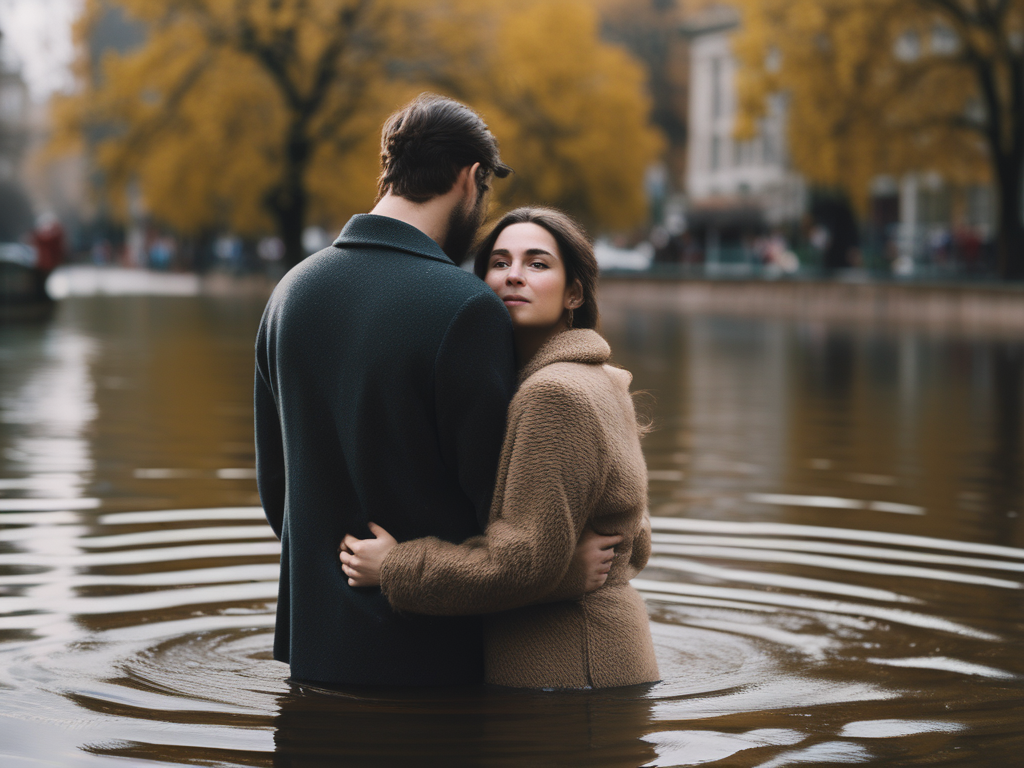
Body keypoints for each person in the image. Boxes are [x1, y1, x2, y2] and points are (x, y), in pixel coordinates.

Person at [255, 95, 615, 687]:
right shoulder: (465, 308)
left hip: (313, 656)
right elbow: (495, 506)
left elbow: (279, 497)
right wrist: (563, 570)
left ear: (390, 168)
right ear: (472, 178)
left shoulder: (289, 294)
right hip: (433, 662)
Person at [340, 207, 661, 690]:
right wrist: (568, 571)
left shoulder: (553, 396)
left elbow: (522, 565)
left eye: (537, 263)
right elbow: (635, 535)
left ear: (574, 291)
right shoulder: (600, 379)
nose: (514, 275)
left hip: (570, 676)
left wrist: (394, 567)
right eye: (499, 262)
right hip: (603, 663)